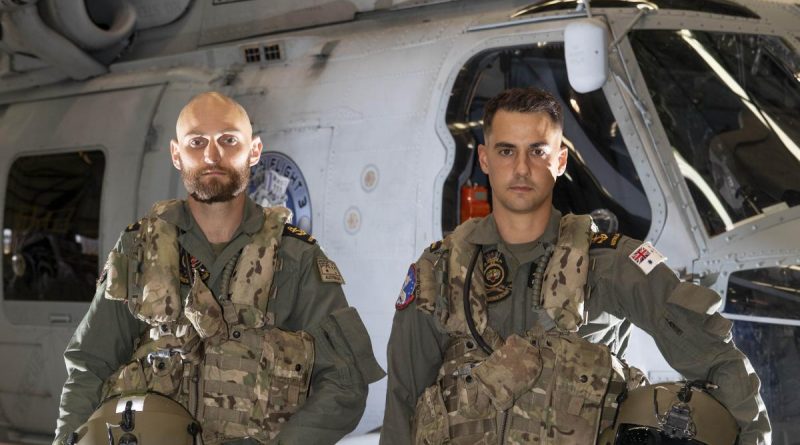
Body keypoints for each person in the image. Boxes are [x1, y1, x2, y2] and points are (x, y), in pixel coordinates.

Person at [380, 88, 770, 445]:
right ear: (484, 158)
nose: (520, 168)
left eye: (537, 151)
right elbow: (403, 401)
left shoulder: (609, 263)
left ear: (561, 159)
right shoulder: (440, 270)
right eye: (505, 151)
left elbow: (716, 356)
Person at [53, 92, 384, 445]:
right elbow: (90, 364)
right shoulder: (139, 249)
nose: (212, 155)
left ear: (254, 151)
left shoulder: (296, 256)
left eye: (228, 140)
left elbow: (345, 382)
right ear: (177, 155)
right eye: (197, 142)